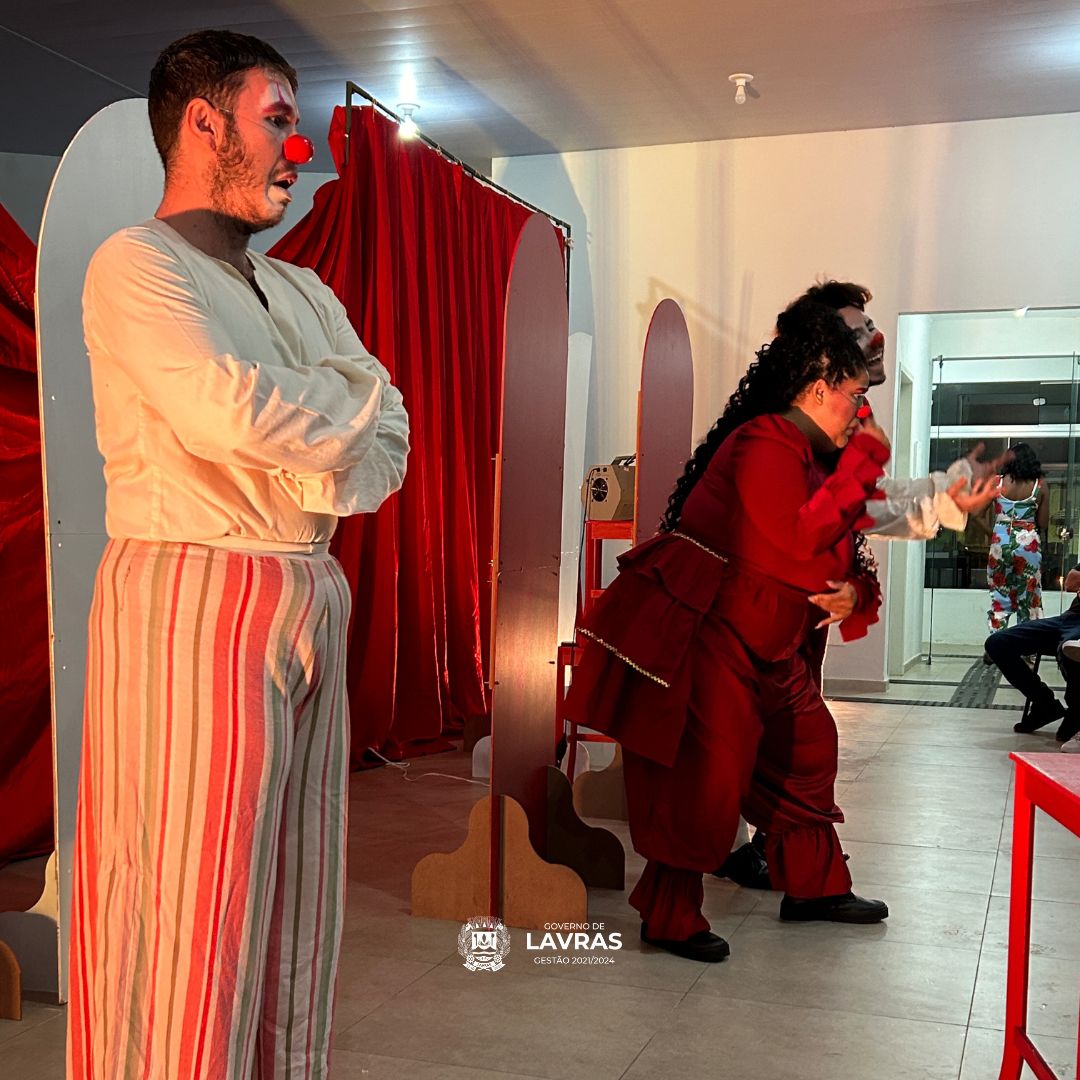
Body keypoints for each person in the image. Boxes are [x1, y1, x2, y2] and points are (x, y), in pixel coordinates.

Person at [67, 30, 409, 1079]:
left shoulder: (302, 290)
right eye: (279, 122)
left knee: (302, 891)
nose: (300, 150)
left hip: (310, 586)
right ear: (203, 122)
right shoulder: (135, 263)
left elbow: (391, 437)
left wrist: (326, 428)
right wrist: (347, 405)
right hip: (194, 587)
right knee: (190, 895)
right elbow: (230, 412)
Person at [565, 299, 891, 963]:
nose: (862, 409)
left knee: (808, 745)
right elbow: (791, 546)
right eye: (854, 395)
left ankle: (814, 886)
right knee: (704, 775)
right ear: (817, 380)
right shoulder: (765, 441)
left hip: (766, 630)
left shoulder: (817, 444)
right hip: (710, 626)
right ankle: (669, 914)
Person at [716, 280, 1003, 892]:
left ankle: (782, 854)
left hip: (796, 615)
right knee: (766, 736)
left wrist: (942, 500)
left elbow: (860, 506)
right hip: (751, 615)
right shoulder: (780, 431)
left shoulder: (846, 417)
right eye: (855, 330)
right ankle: (736, 853)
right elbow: (810, 521)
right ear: (818, 357)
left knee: (790, 738)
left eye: (869, 326)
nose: (873, 338)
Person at [985, 561, 1080, 744]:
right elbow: (1071, 582)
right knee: (997, 643)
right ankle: (1044, 703)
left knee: (1070, 649)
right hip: (1069, 618)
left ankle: (1076, 712)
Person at [981, 443, 1047, 630]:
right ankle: (1026, 645)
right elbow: (1043, 523)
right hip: (1028, 547)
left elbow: (976, 515)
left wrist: (995, 535)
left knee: (1000, 599)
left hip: (1000, 545)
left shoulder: (996, 483)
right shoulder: (1039, 485)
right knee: (1030, 600)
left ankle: (997, 641)